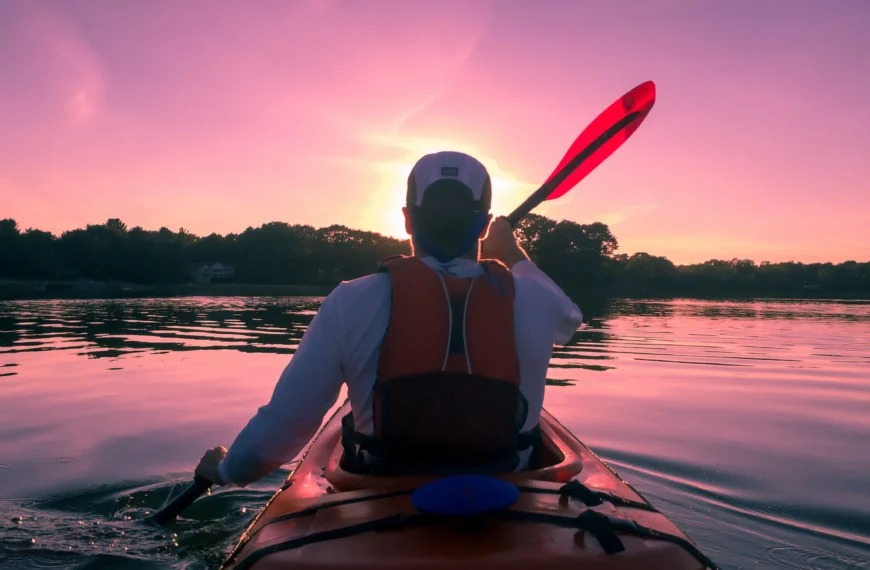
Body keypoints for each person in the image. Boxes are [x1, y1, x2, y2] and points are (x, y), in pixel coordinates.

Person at [195, 150, 584, 486]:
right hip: (510, 489)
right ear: (483, 225)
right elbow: (571, 319)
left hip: (383, 490)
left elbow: (286, 425)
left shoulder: (351, 300)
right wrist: (512, 252)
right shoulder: (534, 297)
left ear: (407, 219)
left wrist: (227, 471)